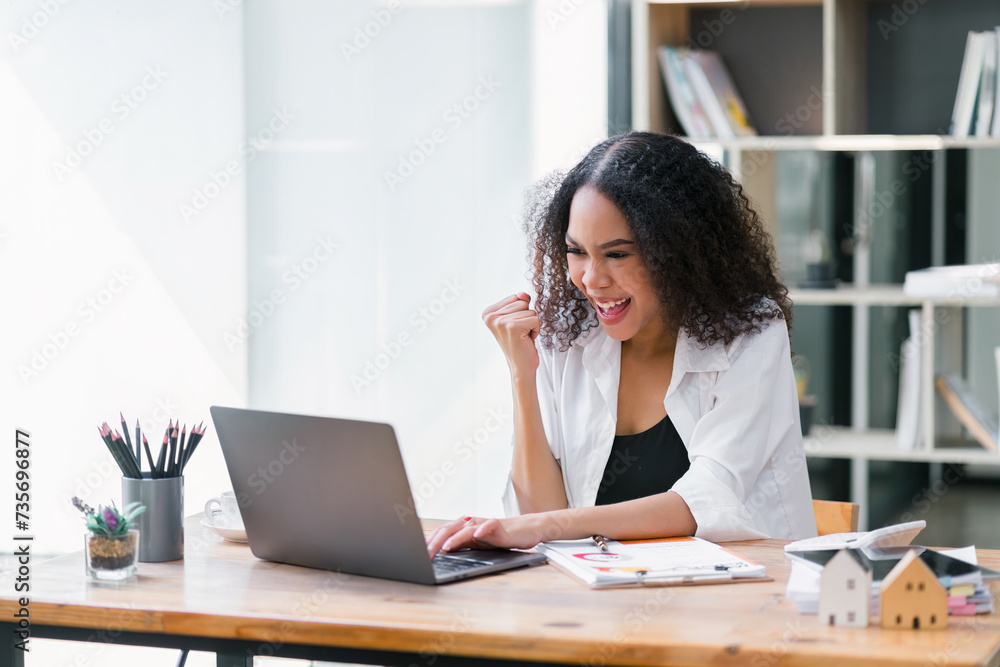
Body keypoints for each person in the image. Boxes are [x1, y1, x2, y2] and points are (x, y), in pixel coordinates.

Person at [426, 131, 817, 558]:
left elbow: (706, 499)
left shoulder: (750, 332)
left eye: (617, 255)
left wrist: (539, 525)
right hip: (604, 601)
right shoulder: (569, 331)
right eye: (576, 251)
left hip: (736, 602)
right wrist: (522, 374)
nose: (592, 279)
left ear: (678, 252)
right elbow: (542, 524)